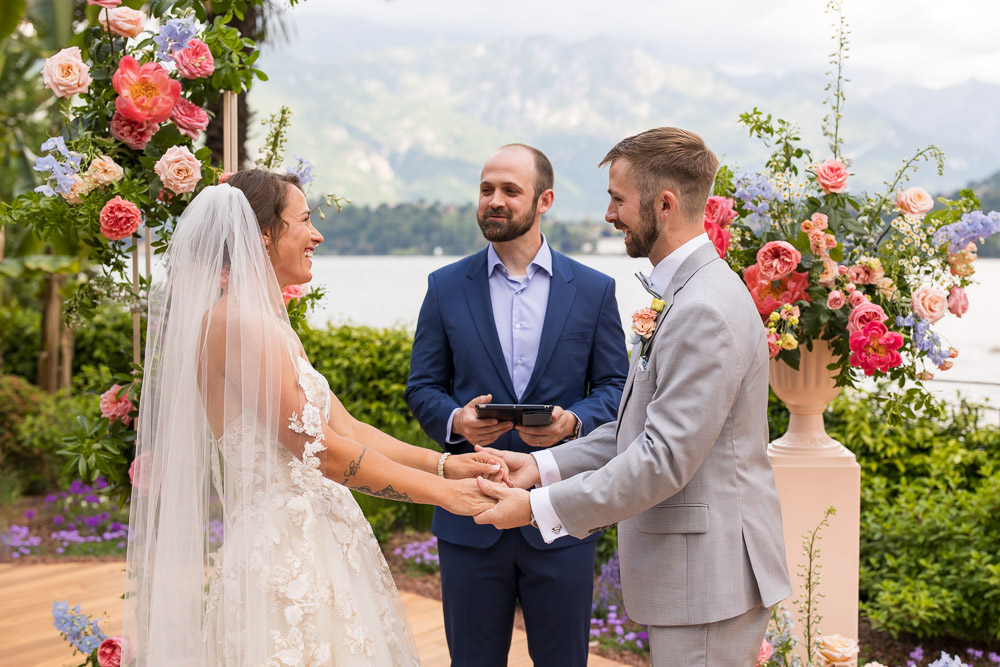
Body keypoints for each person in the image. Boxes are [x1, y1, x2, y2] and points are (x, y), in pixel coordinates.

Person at [123, 169, 508, 665]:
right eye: (304, 220)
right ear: (263, 235)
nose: (317, 234)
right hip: (284, 562)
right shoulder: (237, 322)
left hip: (319, 546)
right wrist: (445, 496)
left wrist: (442, 464)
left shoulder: (265, 322)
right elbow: (321, 452)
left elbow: (344, 428)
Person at [473, 128, 793, 667]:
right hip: (699, 579)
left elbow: (661, 459)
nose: (609, 215)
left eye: (618, 199)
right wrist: (540, 466)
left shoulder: (703, 310)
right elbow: (637, 432)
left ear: (664, 205)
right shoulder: (690, 293)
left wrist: (535, 508)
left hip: (709, 581)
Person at [405, 144, 628, 666]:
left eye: (510, 190)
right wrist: (456, 421)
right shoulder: (444, 287)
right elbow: (423, 387)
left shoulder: (594, 290)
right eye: (486, 190)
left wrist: (574, 423)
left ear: (544, 199)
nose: (494, 201)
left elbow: (617, 388)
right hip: (470, 515)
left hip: (562, 515)